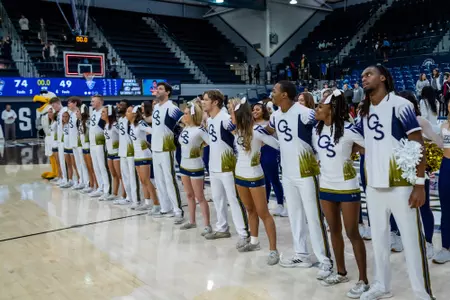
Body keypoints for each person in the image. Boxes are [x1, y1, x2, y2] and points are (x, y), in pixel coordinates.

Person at [358, 65, 433, 300]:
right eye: (362, 76)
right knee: (379, 241)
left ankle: (421, 293)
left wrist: (419, 184)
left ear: (383, 78)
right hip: (373, 186)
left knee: (412, 242)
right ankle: (382, 285)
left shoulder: (401, 105)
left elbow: (417, 143)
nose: (364, 78)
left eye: (368, 74)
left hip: (401, 185)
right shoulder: (364, 110)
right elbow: (364, 143)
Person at [266, 81, 333, 279]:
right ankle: (302, 254)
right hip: (287, 172)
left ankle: (325, 260)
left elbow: (324, 127)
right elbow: (271, 132)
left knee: (313, 217)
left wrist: (321, 156)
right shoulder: (276, 115)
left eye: (275, 91)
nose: (272, 93)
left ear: (285, 95)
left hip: (307, 171)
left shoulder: (305, 112)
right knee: (295, 215)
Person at [313, 89, 369, 297]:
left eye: (320, 105)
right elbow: (318, 153)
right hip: (325, 186)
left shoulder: (348, 129)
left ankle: (363, 279)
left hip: (347, 187)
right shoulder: (316, 130)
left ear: (331, 108)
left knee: (352, 232)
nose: (316, 108)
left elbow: (369, 147)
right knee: (333, 231)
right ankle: (341, 271)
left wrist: (354, 149)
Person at [228, 97, 280, 265]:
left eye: (232, 115)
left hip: (255, 176)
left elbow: (277, 144)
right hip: (240, 175)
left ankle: (273, 250)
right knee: (249, 209)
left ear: (240, 116)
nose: (230, 118)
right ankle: (254, 242)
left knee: (263, 212)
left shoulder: (257, 130)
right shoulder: (238, 131)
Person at [202, 89, 249, 248]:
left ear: (215, 102)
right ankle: (222, 228)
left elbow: (238, 133)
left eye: (206, 100)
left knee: (234, 200)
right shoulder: (210, 120)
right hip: (214, 166)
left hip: (228, 165)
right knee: (218, 199)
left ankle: (243, 233)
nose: (203, 102)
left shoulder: (225, 118)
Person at [151, 82, 184, 223]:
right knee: (159, 180)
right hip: (155, 148)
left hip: (166, 148)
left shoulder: (171, 107)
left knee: (170, 179)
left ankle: (178, 210)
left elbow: (184, 121)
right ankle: (166, 207)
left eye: (160, 89)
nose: (157, 91)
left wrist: (178, 135)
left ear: (168, 92)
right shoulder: (156, 107)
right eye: (157, 89)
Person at [178, 100, 211, 233]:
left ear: (192, 115)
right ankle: (192, 221)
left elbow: (211, 143)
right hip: (183, 165)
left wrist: (200, 148)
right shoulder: (185, 128)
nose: (183, 116)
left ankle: (207, 225)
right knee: (189, 195)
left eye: (186, 114)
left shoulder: (200, 130)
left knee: (200, 196)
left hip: (195, 165)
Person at [252, 103, 286, 216]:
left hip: (269, 151)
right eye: (253, 110)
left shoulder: (269, 123)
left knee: (274, 179)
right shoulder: (251, 124)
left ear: (263, 111)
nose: (255, 111)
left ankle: (280, 204)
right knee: (264, 180)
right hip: (257, 153)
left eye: (257, 109)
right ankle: (264, 204)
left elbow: (275, 139)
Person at [127, 105, 160, 214]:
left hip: (144, 154)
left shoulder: (140, 123)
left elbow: (152, 131)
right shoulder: (131, 125)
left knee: (146, 180)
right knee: (142, 180)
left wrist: (149, 143)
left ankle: (157, 204)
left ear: (135, 113)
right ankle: (147, 202)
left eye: (129, 111)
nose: (127, 113)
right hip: (137, 155)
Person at [433, 100, 450, 264]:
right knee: (446, 206)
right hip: (446, 165)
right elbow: (439, 144)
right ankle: (446, 247)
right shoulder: (443, 125)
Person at [115, 100, 138, 206]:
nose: (119, 106)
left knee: (132, 176)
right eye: (119, 105)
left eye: (122, 105)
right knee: (125, 176)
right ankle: (128, 197)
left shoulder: (131, 121)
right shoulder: (120, 119)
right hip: (122, 151)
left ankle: (136, 199)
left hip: (131, 151)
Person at [89, 95, 110, 198]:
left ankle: (107, 189)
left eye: (93, 101)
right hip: (92, 142)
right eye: (92, 101)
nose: (92, 103)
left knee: (102, 166)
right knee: (96, 166)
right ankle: (100, 187)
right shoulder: (93, 112)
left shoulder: (104, 111)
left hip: (100, 142)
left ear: (100, 102)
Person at [101, 105, 122, 201]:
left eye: (104, 112)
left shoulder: (115, 125)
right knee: (113, 175)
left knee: (120, 175)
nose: (101, 114)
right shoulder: (106, 125)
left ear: (109, 113)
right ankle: (114, 193)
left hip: (117, 153)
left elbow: (123, 136)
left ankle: (125, 196)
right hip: (109, 153)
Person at [67, 97, 88, 190]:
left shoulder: (79, 113)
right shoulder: (71, 114)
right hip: (73, 142)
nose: (68, 104)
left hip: (79, 142)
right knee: (78, 164)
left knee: (83, 163)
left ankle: (87, 182)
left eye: (70, 103)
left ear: (75, 103)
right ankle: (81, 181)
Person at [77, 104, 98, 194]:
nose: (76, 113)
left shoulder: (88, 122)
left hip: (89, 147)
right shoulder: (81, 122)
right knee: (88, 168)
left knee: (92, 168)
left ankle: (96, 186)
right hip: (84, 148)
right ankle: (91, 185)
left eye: (78, 112)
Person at [50, 97, 68, 186]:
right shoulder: (58, 113)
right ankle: (63, 178)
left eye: (54, 105)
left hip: (65, 140)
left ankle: (67, 179)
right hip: (60, 140)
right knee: (61, 161)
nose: (53, 108)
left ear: (58, 103)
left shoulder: (64, 111)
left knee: (65, 161)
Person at [61, 110, 78, 188]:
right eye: (63, 116)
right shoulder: (63, 125)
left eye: (66, 116)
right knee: (68, 165)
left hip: (71, 146)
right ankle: (70, 180)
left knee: (75, 165)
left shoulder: (71, 125)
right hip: (66, 147)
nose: (64, 118)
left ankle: (78, 180)